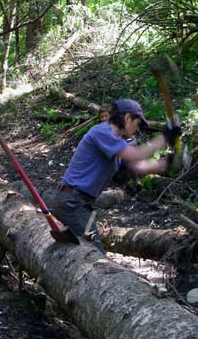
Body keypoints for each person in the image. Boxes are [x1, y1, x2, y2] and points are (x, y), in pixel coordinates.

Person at [51, 99, 180, 252]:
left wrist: (168, 162)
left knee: (83, 252)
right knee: (93, 254)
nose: (138, 129)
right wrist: (165, 138)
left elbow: (138, 166)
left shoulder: (118, 142)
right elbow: (135, 154)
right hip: (72, 203)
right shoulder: (102, 132)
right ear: (127, 118)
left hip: (80, 203)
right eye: (137, 124)